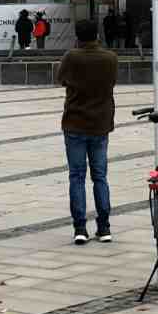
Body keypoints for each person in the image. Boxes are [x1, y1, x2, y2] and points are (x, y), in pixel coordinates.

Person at [57, 19, 118, 244]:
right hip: (100, 124)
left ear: (77, 36)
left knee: (77, 176)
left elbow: (60, 78)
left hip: (75, 122)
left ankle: (80, 227)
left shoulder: (71, 57)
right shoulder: (110, 58)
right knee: (100, 176)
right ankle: (104, 227)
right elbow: (112, 82)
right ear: (97, 35)